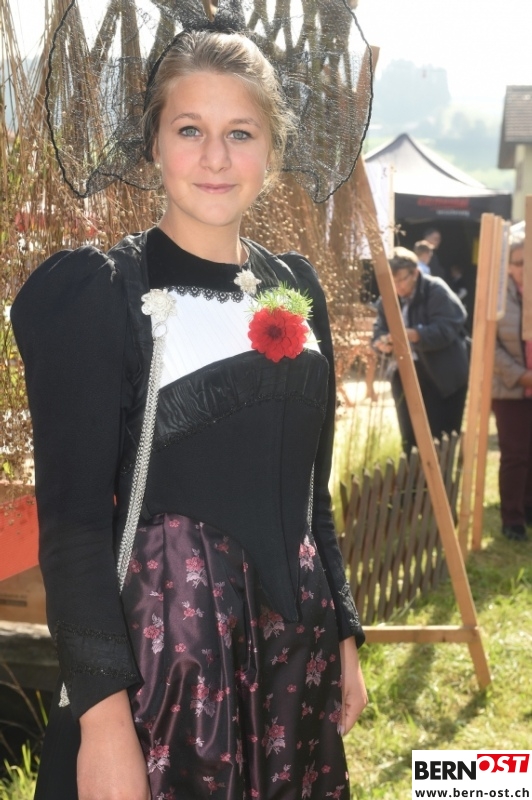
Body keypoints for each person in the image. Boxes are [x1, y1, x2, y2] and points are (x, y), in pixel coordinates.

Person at [11, 19, 369, 800]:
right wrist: (106, 727)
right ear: (152, 145)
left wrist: (343, 633)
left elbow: (313, 499)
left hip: (293, 668)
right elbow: (73, 529)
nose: (215, 157)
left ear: (272, 149)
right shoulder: (102, 297)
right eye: (189, 130)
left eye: (240, 132)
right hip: (167, 685)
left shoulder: (298, 289)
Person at [373, 247, 469, 456]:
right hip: (405, 373)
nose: (397, 286)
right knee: (410, 439)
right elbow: (379, 331)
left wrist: (414, 334)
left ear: (415, 273)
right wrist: (382, 344)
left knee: (440, 440)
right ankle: (414, 476)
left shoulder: (436, 290)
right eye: (391, 281)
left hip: (442, 376)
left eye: (401, 280)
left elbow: (449, 326)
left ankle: (439, 477)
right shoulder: (387, 299)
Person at [491, 228, 532, 542]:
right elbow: (489, 346)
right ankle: (513, 518)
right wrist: (519, 375)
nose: (523, 268)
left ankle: (529, 507)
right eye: (518, 263)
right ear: (508, 266)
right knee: (515, 453)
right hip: (510, 388)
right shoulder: (497, 298)